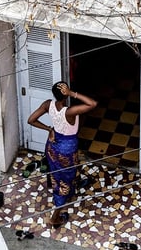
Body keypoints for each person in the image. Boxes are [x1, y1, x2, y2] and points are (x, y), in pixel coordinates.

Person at [27, 81, 97, 227]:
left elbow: (31, 120)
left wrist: (49, 129)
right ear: (65, 94)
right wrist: (72, 93)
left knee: (58, 174)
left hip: (53, 146)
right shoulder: (70, 112)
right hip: (66, 151)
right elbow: (92, 104)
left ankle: (69, 187)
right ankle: (55, 217)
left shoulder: (48, 104)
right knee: (63, 181)